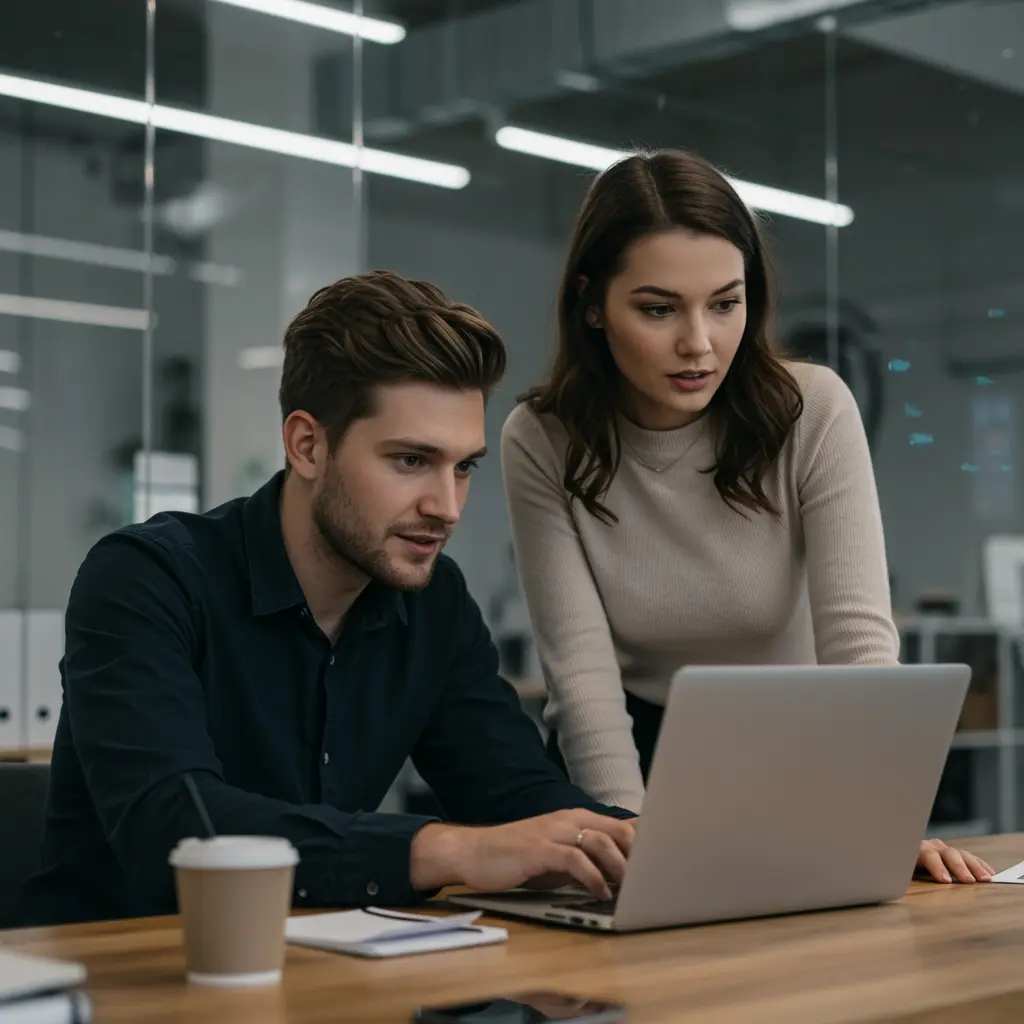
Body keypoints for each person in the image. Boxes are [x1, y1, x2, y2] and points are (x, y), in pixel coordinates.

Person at [21, 271, 634, 927]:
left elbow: (513, 789)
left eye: (462, 466)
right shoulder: (146, 579)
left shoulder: (434, 602)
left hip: (319, 963)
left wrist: (633, 843)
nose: (447, 506)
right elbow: (175, 827)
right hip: (124, 966)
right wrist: (447, 850)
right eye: (411, 460)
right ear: (307, 446)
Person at [500, 150, 993, 886]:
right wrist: (629, 837)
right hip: (623, 756)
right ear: (591, 303)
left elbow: (859, 643)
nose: (699, 343)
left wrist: (885, 816)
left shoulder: (811, 409)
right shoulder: (542, 438)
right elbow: (581, 679)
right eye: (659, 308)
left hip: (792, 752)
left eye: (725, 304)